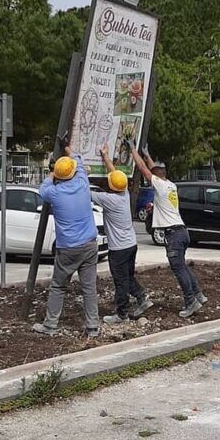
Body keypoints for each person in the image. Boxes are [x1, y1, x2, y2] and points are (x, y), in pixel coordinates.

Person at [129, 143, 206, 318]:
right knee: (183, 267)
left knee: (178, 269)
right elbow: (153, 170)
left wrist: (134, 151)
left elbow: (143, 169)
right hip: (182, 232)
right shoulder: (170, 185)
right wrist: (147, 155)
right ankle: (198, 295)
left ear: (156, 178)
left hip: (174, 235)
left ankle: (191, 302)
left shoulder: (161, 186)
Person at [33, 145, 100, 339]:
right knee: (89, 288)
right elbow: (77, 158)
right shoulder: (82, 181)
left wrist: (52, 173)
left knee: (59, 286)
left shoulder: (53, 193)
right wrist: (68, 148)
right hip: (89, 243)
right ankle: (92, 326)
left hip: (68, 248)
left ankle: (51, 324)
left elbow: (43, 187)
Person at [94, 143, 153, 323]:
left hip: (118, 249)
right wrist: (105, 158)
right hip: (130, 244)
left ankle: (122, 314)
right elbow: (116, 177)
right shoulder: (124, 194)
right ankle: (142, 297)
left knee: (120, 280)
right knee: (127, 276)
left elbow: (83, 191)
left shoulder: (108, 199)